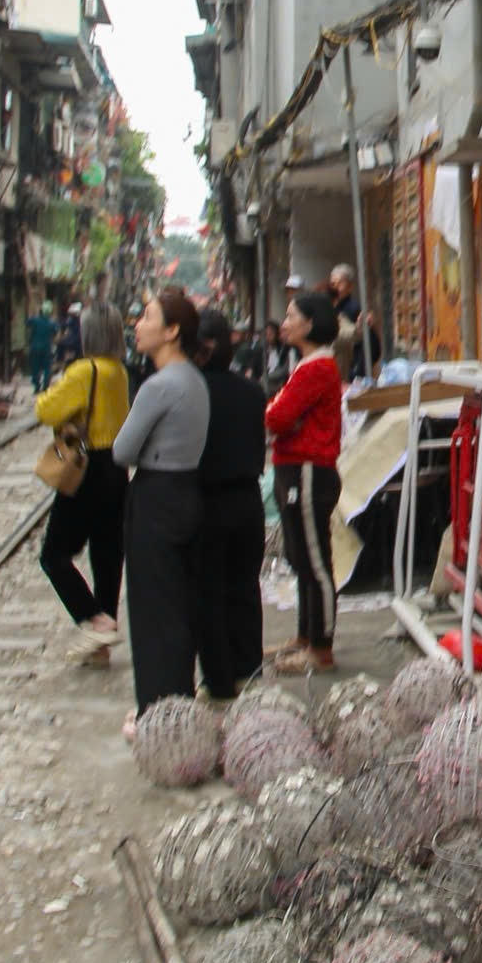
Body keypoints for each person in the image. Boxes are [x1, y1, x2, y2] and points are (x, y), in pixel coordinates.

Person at [114, 289, 217, 733]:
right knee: (178, 604)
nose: (138, 324)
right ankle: (177, 703)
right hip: (187, 490)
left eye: (148, 317)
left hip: (155, 495)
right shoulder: (194, 379)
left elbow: (122, 450)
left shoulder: (158, 386)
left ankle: (154, 712)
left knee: (151, 608)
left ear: (172, 331)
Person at [34, 303, 130, 662]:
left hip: (86, 469)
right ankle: (100, 647)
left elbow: (46, 411)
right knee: (107, 557)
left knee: (54, 555)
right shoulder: (118, 372)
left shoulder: (83, 371)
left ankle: (94, 619)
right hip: (116, 469)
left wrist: (50, 391)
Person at [263, 289, 344, 674]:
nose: (285, 323)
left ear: (310, 324)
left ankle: (321, 646)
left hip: (309, 471)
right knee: (300, 557)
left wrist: (278, 413)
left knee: (314, 560)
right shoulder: (307, 365)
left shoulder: (316, 368)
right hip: (295, 469)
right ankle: (305, 636)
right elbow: (280, 414)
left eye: (292, 316)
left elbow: (277, 417)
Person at [192, 307, 270, 696]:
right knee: (245, 589)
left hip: (206, 501)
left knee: (209, 593)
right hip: (248, 500)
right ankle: (249, 671)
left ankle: (219, 681)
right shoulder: (252, 392)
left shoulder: (190, 393)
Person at [25, 302, 57, 391]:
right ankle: (45, 386)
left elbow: (27, 323)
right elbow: (55, 332)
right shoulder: (52, 323)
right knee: (47, 368)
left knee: (35, 367)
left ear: (41, 311)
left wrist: (33, 314)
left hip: (35, 347)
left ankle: (36, 386)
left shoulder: (35, 320)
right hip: (46, 348)